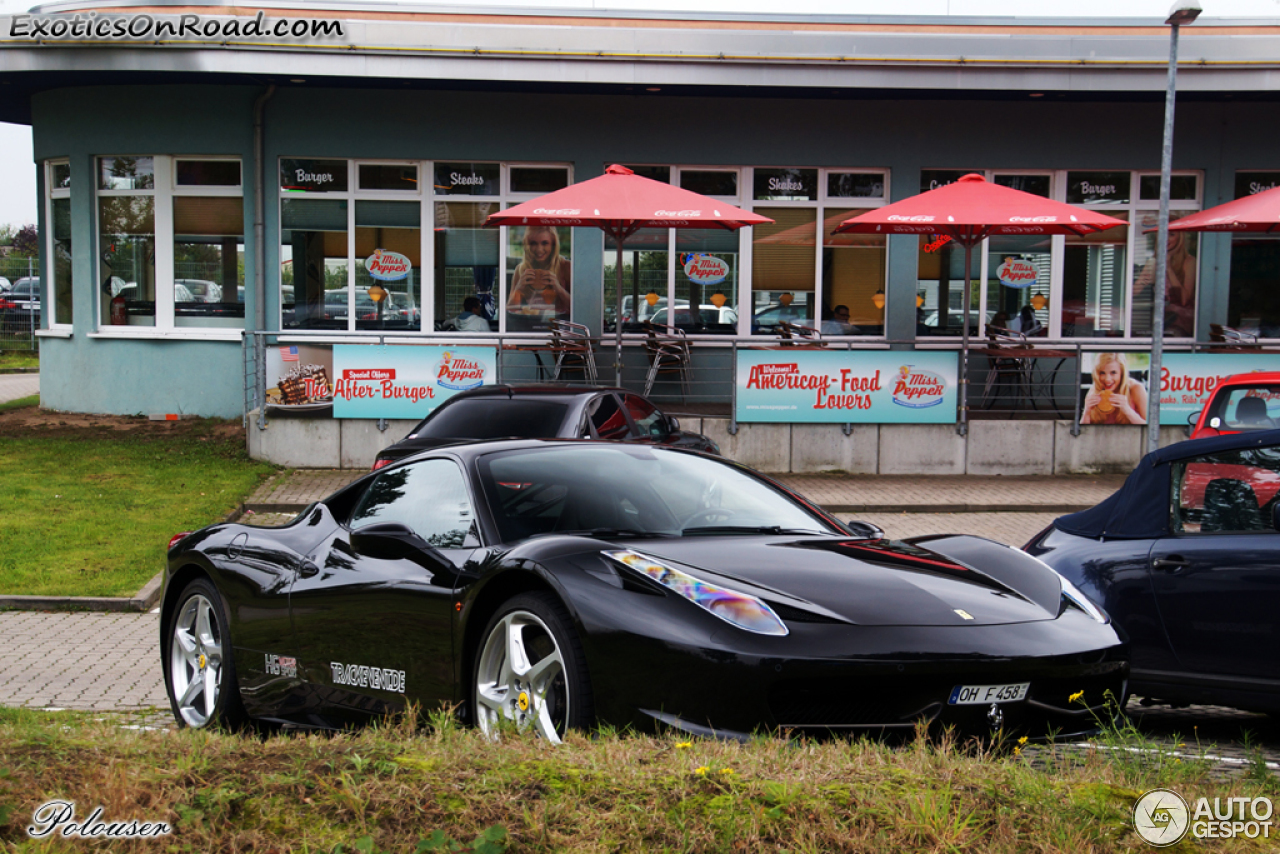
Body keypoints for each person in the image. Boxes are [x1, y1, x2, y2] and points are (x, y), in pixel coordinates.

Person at [1134, 229, 1196, 338]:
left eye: (1171, 235)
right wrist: (1143, 280)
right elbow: (1134, 292)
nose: (1166, 238)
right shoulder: (1153, 262)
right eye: (1163, 234)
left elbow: (1184, 300)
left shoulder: (1189, 262)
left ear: (1180, 238)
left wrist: (1168, 268)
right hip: (1158, 317)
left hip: (1180, 319)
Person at [507, 225, 571, 316]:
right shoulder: (521, 269)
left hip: (560, 327)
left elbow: (578, 308)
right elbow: (510, 311)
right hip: (529, 326)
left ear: (553, 245)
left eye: (545, 243)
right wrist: (518, 289)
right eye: (533, 243)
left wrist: (559, 289)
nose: (539, 249)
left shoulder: (565, 267)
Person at [1081, 352, 1148, 425]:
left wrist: (1127, 410)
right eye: (1102, 373)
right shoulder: (1095, 390)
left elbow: (1150, 429)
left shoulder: (1136, 388)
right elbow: (1083, 432)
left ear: (1122, 373)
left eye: (1113, 373)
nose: (1107, 379)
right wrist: (1086, 412)